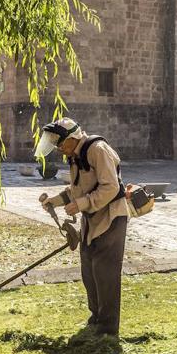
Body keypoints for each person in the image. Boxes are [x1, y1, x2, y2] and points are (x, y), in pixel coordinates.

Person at [37, 118, 130, 338]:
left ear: (71, 138)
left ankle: (107, 329)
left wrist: (81, 204)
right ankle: (96, 317)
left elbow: (111, 187)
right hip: (91, 220)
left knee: (105, 273)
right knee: (89, 271)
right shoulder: (75, 156)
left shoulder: (98, 149)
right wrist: (55, 201)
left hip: (110, 218)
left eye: (60, 143)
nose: (58, 148)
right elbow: (77, 188)